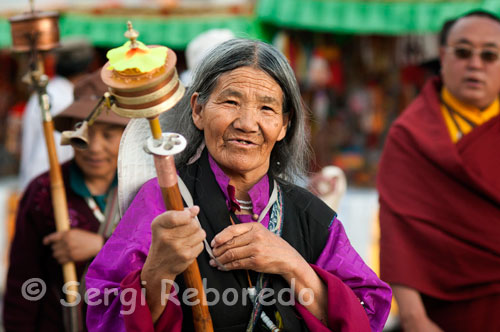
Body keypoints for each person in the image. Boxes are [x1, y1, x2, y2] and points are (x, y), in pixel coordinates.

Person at [86, 38, 391, 332]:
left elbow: (367, 312)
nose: (247, 123)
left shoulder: (310, 215)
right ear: (198, 110)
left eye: (267, 109)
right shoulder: (162, 200)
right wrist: (157, 272)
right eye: (231, 102)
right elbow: (104, 313)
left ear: (284, 125)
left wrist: (294, 266)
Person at [377, 10, 500, 332]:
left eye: (489, 55)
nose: (475, 64)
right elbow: (397, 233)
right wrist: (415, 319)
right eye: (463, 52)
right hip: (438, 314)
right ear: (443, 57)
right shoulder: (410, 136)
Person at [3, 70, 129, 332]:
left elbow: (159, 259)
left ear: (128, 137)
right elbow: (22, 283)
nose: (94, 147)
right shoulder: (43, 191)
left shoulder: (143, 187)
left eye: (108, 135)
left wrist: (102, 246)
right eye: (84, 134)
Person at [19, 38, 94, 191]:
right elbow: (52, 155)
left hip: (37, 184)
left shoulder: (43, 94)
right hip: (48, 189)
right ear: (87, 67)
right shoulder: (65, 100)